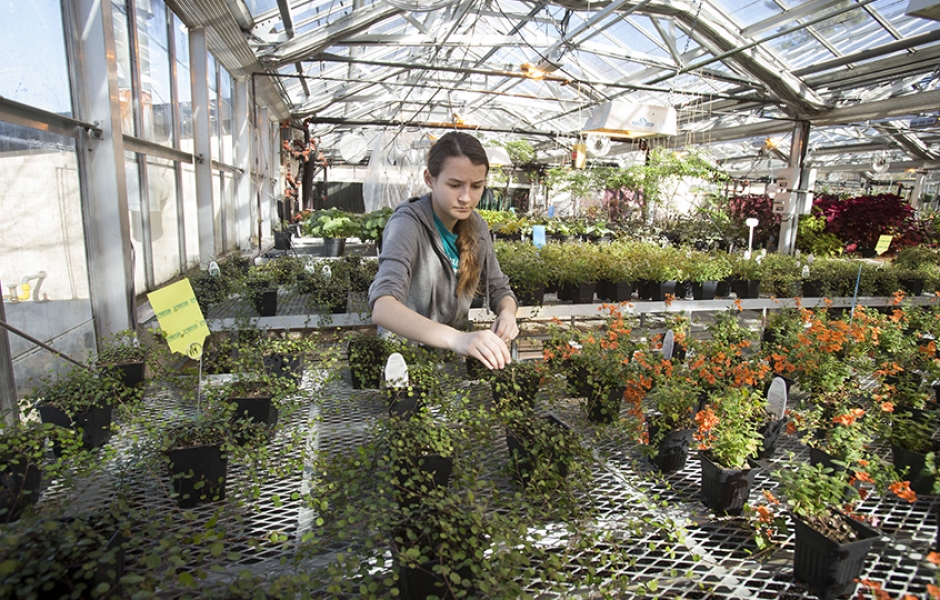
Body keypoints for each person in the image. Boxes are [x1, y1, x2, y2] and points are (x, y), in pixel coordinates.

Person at [368, 131, 519, 370]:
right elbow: (383, 306)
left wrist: (508, 315)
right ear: (429, 178)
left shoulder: (477, 227)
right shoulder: (407, 224)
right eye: (454, 185)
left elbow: (500, 289)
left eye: (477, 186)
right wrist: (457, 338)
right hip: (405, 364)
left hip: (451, 360)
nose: (466, 197)